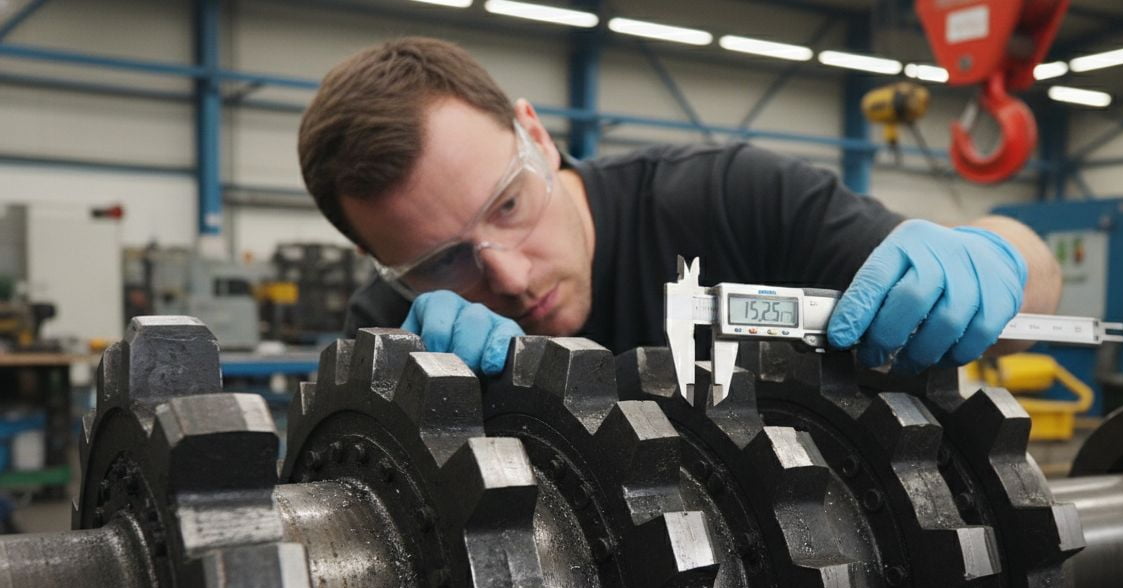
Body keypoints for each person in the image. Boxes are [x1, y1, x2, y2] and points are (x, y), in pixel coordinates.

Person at [298, 37, 1060, 376]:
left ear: (535, 134)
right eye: (441, 262)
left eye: (506, 207)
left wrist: (993, 256)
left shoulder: (727, 199)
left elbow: (1033, 299)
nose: (508, 277)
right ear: (382, 265)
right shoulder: (391, 333)